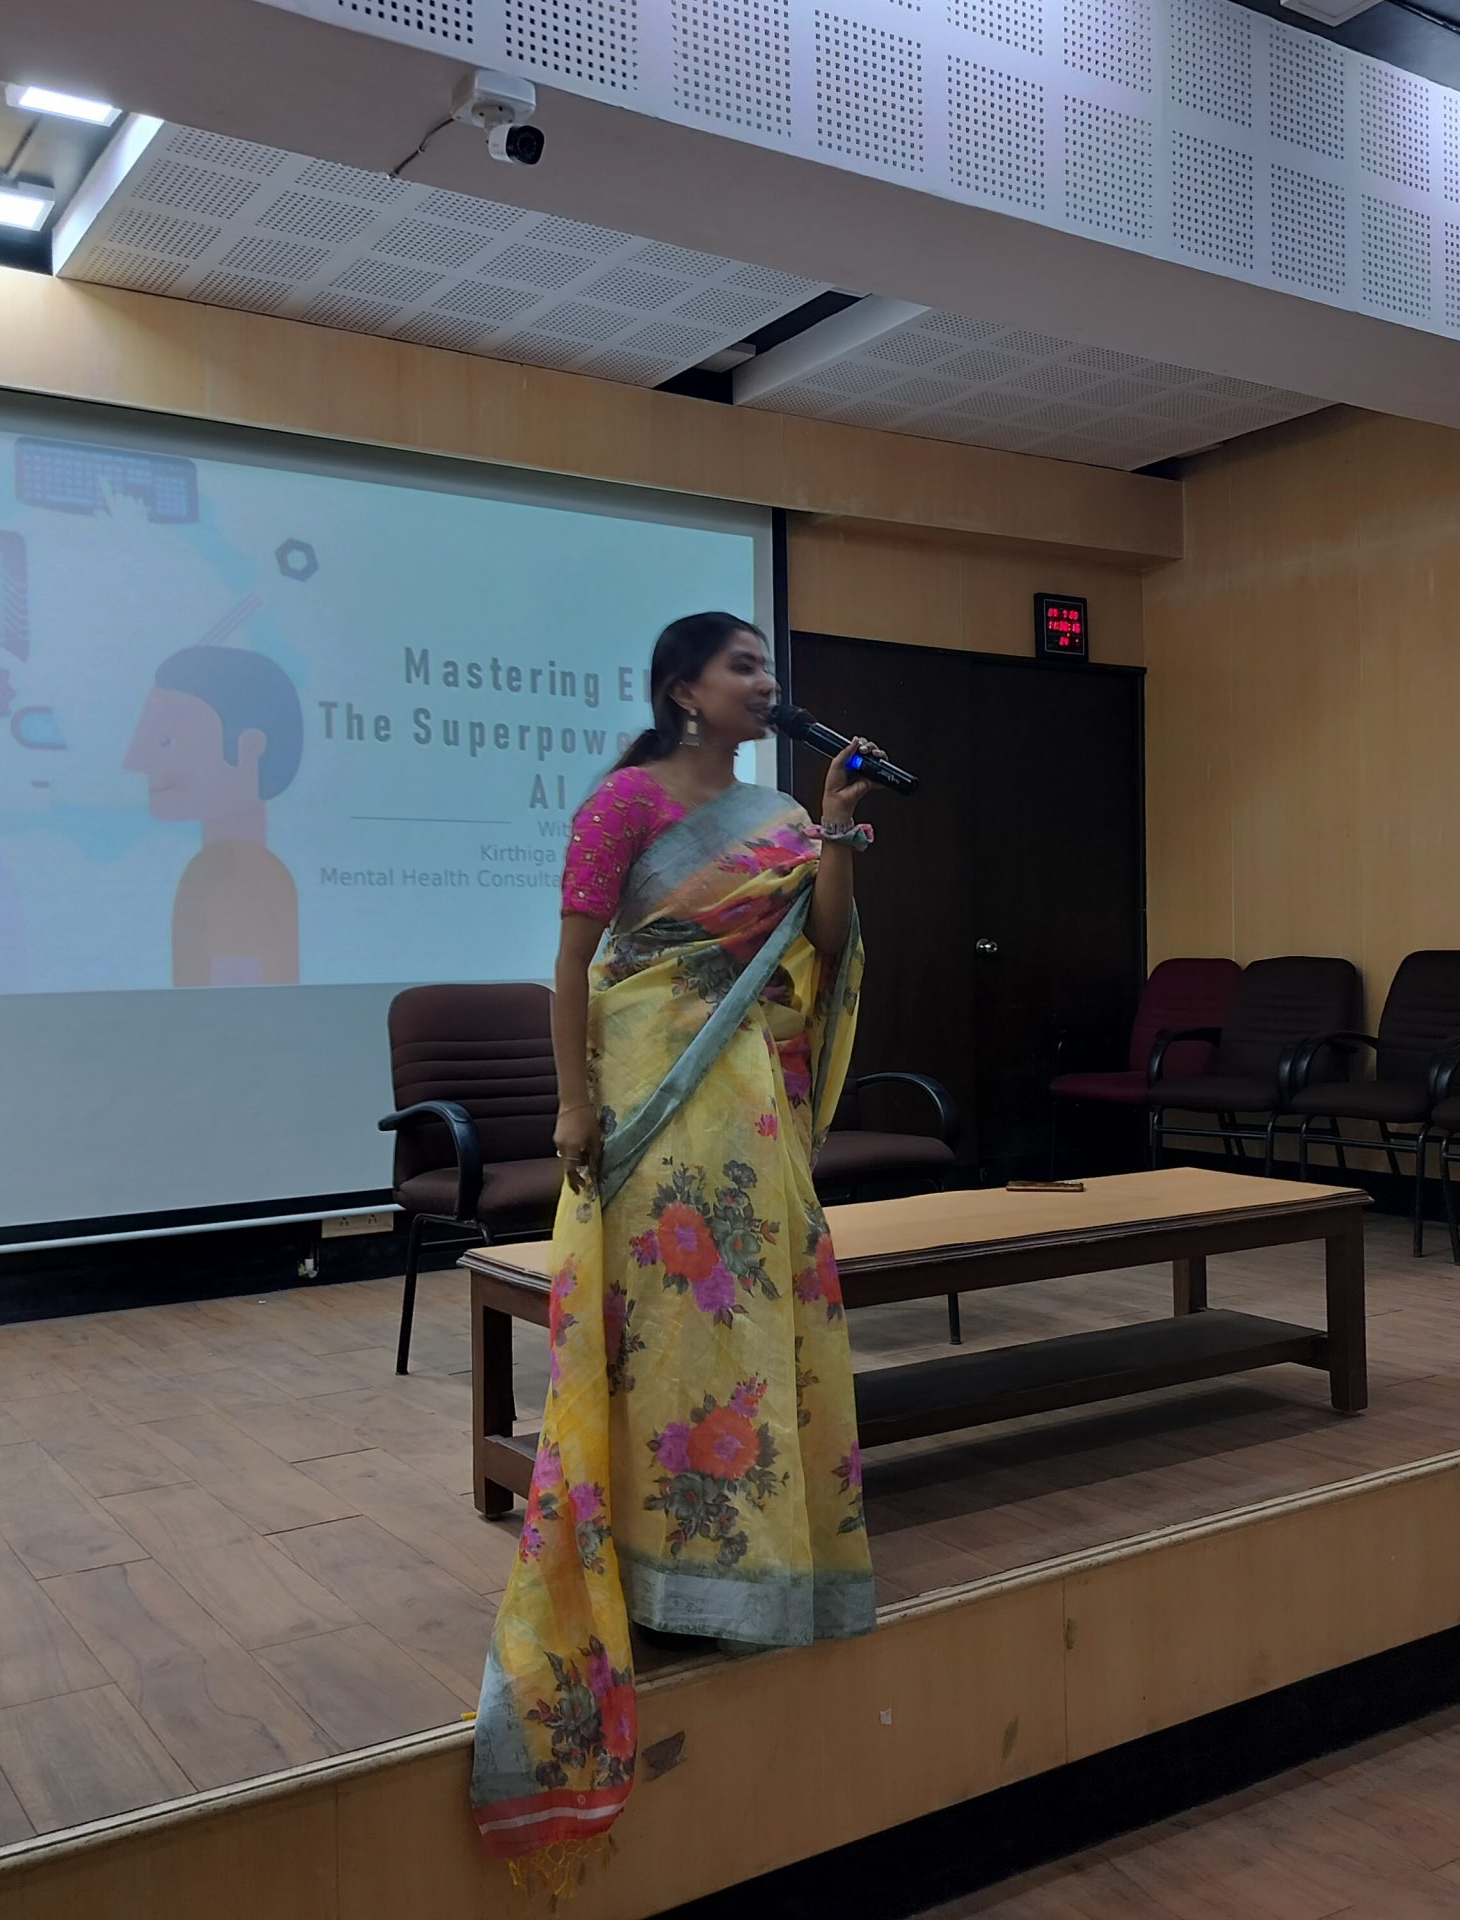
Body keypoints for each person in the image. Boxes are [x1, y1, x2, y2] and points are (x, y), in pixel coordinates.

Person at [469, 612, 885, 1890]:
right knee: (667, 1332)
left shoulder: (780, 812)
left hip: (749, 1101)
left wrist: (835, 832)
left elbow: (822, 950)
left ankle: (756, 1558)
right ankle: (659, 1570)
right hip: (652, 1095)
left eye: (767, 665)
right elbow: (572, 964)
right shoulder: (624, 805)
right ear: (683, 691)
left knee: (754, 1320)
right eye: (742, 666)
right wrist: (572, 1103)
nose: (767, 682)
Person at [122, 641, 303, 987]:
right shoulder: (214, 870)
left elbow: (241, 1004)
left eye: (165, 741)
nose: (133, 761)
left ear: (249, 748)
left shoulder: (240, 876)